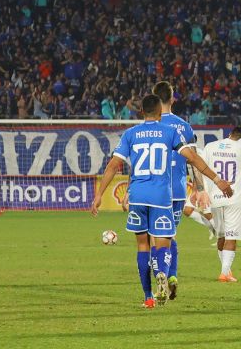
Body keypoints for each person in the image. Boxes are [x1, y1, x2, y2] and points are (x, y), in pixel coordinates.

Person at [91, 93, 233, 307]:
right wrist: (217, 180)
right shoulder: (170, 132)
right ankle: (162, 274)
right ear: (160, 113)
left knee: (142, 245)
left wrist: (99, 194)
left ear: (141, 112)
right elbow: (193, 158)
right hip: (161, 196)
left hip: (138, 195)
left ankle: (148, 298)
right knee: (163, 243)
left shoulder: (130, 134)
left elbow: (113, 166)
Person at [200, 113, 241, 282]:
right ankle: (224, 272)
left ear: (229, 134)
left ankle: (226, 271)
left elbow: (201, 167)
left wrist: (202, 190)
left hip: (215, 197)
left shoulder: (210, 146)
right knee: (231, 236)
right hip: (233, 197)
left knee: (221, 236)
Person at [154, 80, 193, 299]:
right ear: (172, 99)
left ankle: (161, 274)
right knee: (170, 235)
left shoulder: (149, 126)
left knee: (154, 238)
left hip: (154, 189)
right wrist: (200, 187)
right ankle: (173, 276)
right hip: (178, 191)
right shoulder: (184, 126)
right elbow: (193, 159)